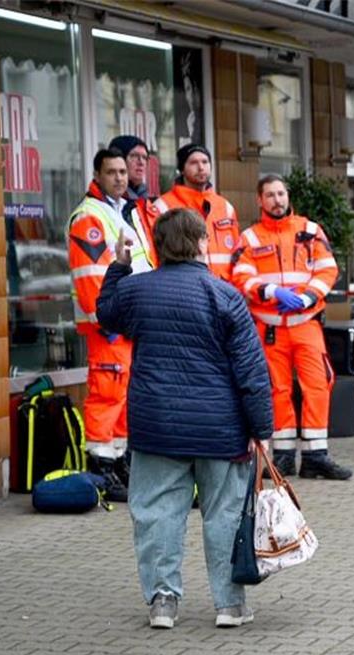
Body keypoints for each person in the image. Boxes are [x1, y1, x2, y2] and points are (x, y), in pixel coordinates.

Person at [96, 207, 274, 630]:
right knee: (225, 515)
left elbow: (105, 313)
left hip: (157, 428)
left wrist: (119, 266)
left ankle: (162, 602)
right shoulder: (225, 295)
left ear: (158, 247)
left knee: (157, 514)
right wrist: (261, 430)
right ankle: (229, 605)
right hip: (221, 431)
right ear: (200, 244)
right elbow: (251, 371)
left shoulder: (138, 291)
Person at [231, 174, 352, 480]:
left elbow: (328, 269)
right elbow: (241, 276)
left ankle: (315, 455)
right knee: (277, 389)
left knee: (318, 384)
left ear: (288, 196)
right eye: (270, 195)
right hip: (270, 327)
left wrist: (305, 298)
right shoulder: (251, 238)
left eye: (281, 193)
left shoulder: (309, 230)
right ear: (260, 200)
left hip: (305, 321)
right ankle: (282, 456)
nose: (277, 200)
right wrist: (273, 293)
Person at [67, 147, 153, 501]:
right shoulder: (89, 216)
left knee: (122, 397)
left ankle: (119, 464)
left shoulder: (123, 212)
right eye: (112, 172)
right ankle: (102, 469)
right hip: (109, 325)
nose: (120, 177)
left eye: (122, 171)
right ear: (97, 176)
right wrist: (107, 319)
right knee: (106, 395)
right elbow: (89, 277)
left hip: (128, 321)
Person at [153, 144, 239, 281]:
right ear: (181, 169)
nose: (201, 167)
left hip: (223, 289)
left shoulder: (225, 207)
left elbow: (237, 255)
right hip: (184, 288)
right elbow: (155, 255)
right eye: (193, 162)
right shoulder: (162, 207)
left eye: (205, 162)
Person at [109, 134, 160, 272]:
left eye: (144, 158)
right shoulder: (110, 203)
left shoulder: (147, 202)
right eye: (134, 156)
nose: (141, 162)